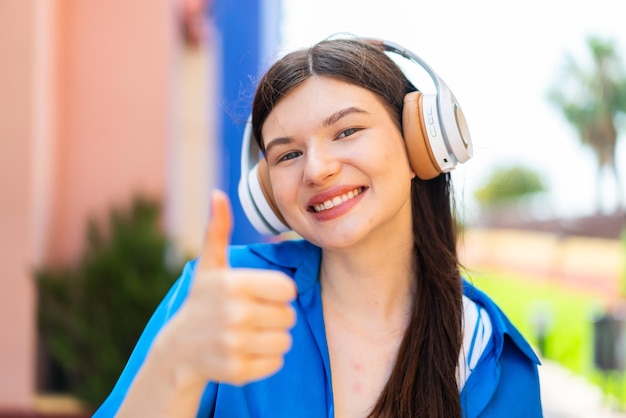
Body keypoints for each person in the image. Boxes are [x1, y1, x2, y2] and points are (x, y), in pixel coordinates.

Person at [93, 36, 542, 418]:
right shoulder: (223, 296)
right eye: (287, 154)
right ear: (268, 194)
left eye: (346, 131)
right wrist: (175, 364)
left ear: (421, 143)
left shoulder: (488, 354)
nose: (318, 170)